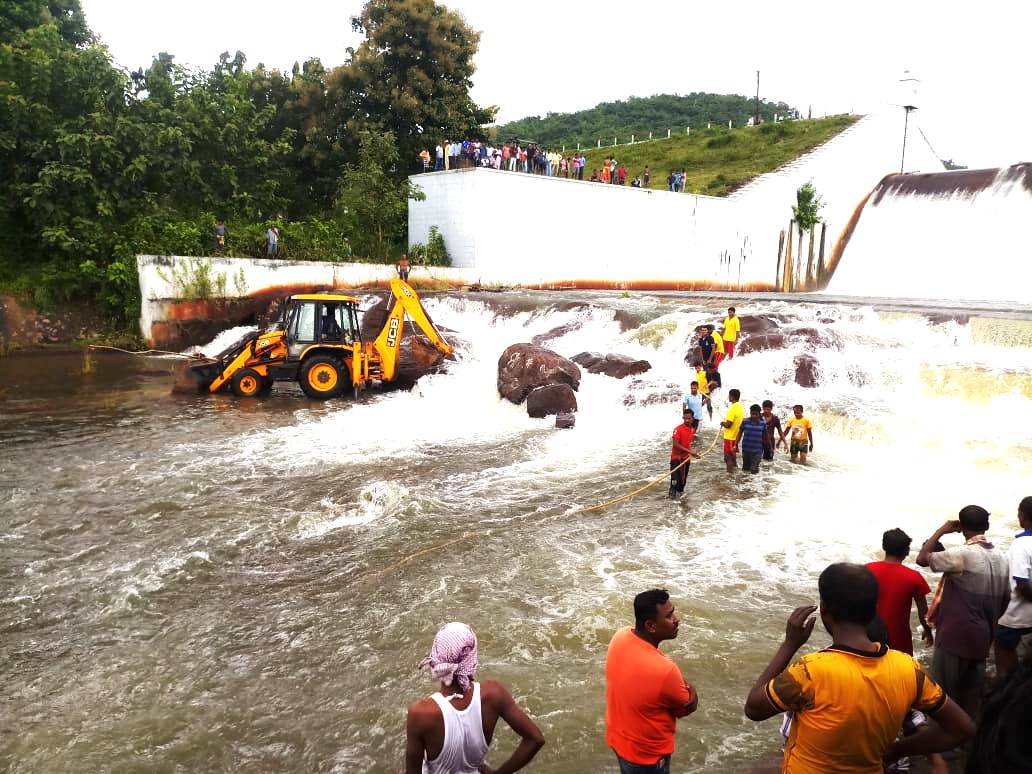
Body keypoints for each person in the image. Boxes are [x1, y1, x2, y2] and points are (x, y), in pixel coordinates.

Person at [744, 563, 975, 773]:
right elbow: (962, 728)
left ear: (824, 609)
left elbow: (754, 709)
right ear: (874, 609)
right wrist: (897, 750)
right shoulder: (908, 668)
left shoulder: (809, 671)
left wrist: (790, 644)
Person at [406, 622, 545, 774]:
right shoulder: (494, 694)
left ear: (436, 658)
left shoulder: (420, 713)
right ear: (471, 659)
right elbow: (536, 739)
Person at [916, 505, 1010, 720]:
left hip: (954, 635)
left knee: (940, 698)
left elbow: (922, 558)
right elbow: (1005, 601)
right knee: (971, 700)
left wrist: (942, 530)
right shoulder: (1002, 558)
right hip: (983, 636)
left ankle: (942, 740)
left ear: (961, 528)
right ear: (987, 526)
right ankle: (970, 738)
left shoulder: (961, 554)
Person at [606, 589, 698, 773]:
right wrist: (693, 691)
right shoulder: (666, 670)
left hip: (618, 740)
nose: (676, 619)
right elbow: (687, 707)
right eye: (669, 616)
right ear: (651, 626)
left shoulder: (620, 636)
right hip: (648, 757)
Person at [866, 529, 933, 655]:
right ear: (907, 551)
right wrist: (928, 632)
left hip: (867, 638)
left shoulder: (866, 570)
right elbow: (923, 613)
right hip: (899, 641)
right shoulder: (914, 577)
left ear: (884, 547)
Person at [996, 495, 1032, 675]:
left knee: (1006, 666)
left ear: (1022, 515)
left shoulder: (1021, 544)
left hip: (1015, 619)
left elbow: (1022, 585)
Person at [669, 408, 700, 499]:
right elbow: (675, 444)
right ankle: (671, 503)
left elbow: (687, 444)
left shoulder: (692, 429)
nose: (686, 420)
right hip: (676, 459)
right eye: (685, 418)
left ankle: (681, 504)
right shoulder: (677, 429)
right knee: (674, 483)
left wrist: (694, 453)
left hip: (686, 459)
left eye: (689, 418)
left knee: (682, 484)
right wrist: (691, 452)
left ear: (692, 419)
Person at [721, 388, 744, 472]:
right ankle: (735, 474)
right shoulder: (740, 407)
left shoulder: (732, 408)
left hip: (729, 437)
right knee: (733, 457)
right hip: (736, 437)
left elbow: (728, 425)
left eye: (729, 395)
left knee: (728, 457)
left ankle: (729, 476)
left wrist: (722, 423)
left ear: (732, 397)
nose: (728, 397)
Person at [739, 404, 765, 474]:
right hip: (746, 450)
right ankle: (746, 481)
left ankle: (756, 480)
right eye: (752, 414)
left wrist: (769, 447)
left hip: (757, 451)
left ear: (759, 414)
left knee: (754, 469)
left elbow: (765, 436)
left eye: (755, 414)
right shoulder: (745, 421)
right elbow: (739, 433)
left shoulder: (763, 423)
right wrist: (735, 445)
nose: (753, 416)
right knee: (745, 469)